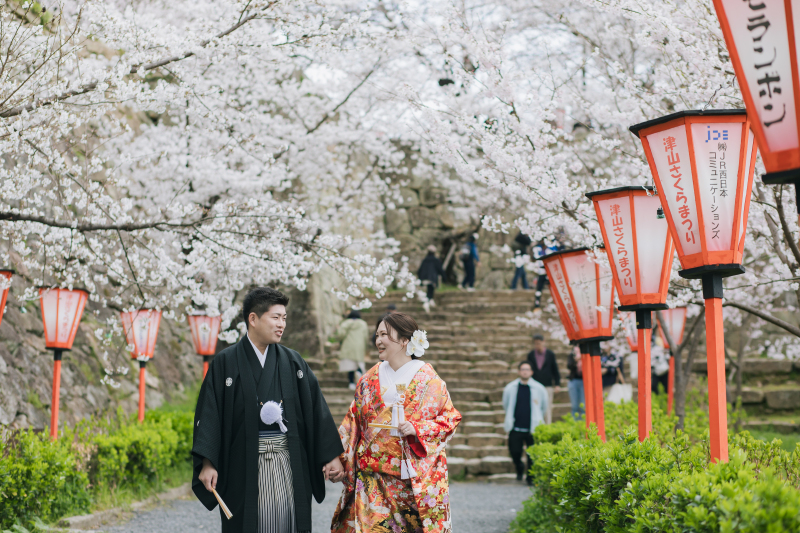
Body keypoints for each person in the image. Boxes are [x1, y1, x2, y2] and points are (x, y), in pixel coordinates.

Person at [191, 287, 345, 533]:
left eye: (284, 318)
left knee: (289, 522)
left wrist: (330, 455)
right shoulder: (225, 362)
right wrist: (208, 462)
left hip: (288, 462)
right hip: (242, 465)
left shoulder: (293, 362)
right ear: (253, 319)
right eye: (275, 317)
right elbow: (210, 414)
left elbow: (316, 410)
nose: (281, 324)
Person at [330, 312, 461, 533]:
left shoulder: (428, 379)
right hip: (371, 475)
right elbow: (352, 422)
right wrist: (335, 457)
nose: (378, 340)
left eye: (385, 335)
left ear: (404, 341)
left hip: (410, 479)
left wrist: (418, 429)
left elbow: (449, 418)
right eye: (377, 334)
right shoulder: (368, 378)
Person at [502, 361, 548, 485]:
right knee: (514, 452)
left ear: (531, 372)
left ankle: (530, 478)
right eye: (522, 369)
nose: (525, 371)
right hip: (515, 427)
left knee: (532, 455)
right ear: (519, 371)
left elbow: (544, 406)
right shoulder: (510, 388)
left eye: (527, 369)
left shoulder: (539, 388)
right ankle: (519, 468)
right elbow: (506, 404)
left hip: (532, 427)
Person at [332, 310, 371, 390]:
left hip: (348, 346)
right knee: (359, 364)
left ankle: (351, 383)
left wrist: (337, 329)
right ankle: (359, 373)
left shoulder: (346, 323)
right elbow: (366, 337)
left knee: (350, 366)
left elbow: (340, 335)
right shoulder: (363, 324)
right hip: (359, 346)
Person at [527, 334, 561, 424]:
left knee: (547, 407)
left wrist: (557, 384)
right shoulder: (531, 355)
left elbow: (555, 369)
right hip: (535, 385)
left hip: (547, 385)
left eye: (539, 343)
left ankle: (547, 426)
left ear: (543, 342)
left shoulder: (550, 354)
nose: (537, 345)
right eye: (536, 344)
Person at [418, 245, 445, 312]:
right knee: (430, 289)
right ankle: (428, 302)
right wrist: (444, 277)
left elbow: (420, 270)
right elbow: (440, 269)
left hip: (424, 277)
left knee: (427, 290)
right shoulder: (436, 260)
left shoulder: (425, 260)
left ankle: (428, 301)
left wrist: (420, 277)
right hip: (432, 278)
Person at [566, 346, 585, 420]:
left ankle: (583, 421)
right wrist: (576, 360)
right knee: (574, 406)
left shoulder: (586, 354)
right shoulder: (572, 354)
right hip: (574, 380)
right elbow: (569, 365)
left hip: (583, 381)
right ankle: (575, 422)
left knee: (583, 405)